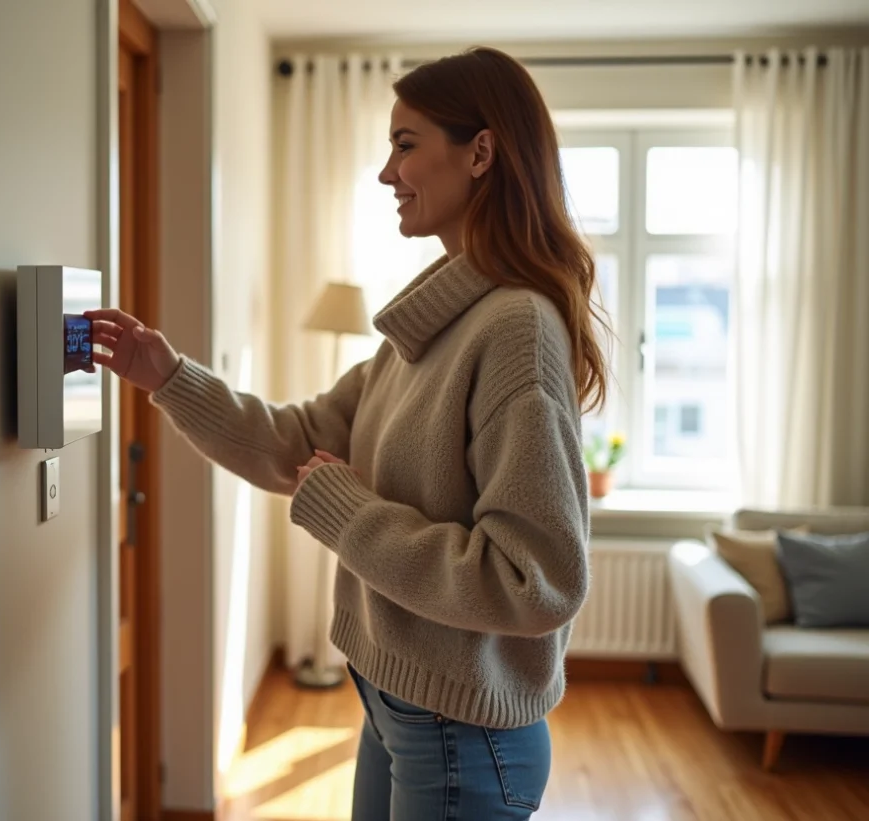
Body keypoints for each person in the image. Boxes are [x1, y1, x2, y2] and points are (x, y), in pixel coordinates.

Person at [87, 45, 607, 821]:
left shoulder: (514, 330)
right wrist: (166, 375)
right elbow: (293, 441)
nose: (385, 173)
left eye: (405, 145)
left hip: (461, 736)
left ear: (481, 153)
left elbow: (536, 580)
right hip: (400, 706)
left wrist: (346, 511)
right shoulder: (433, 324)